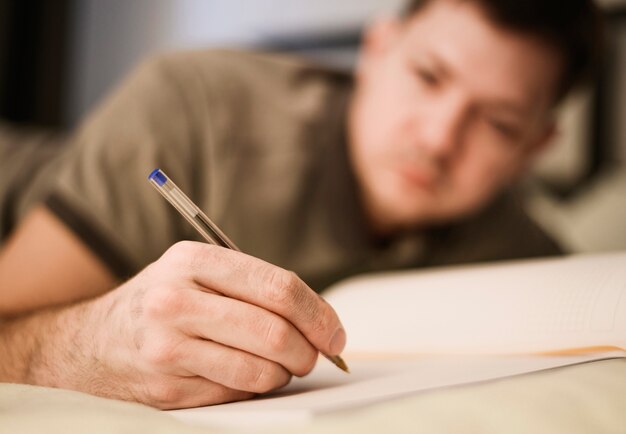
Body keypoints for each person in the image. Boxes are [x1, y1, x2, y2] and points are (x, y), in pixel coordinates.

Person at [0, 0, 602, 409]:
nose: (440, 138)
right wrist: (95, 345)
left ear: (535, 147)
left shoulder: (518, 250)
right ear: (378, 48)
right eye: (427, 76)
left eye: (498, 123)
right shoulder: (193, 108)